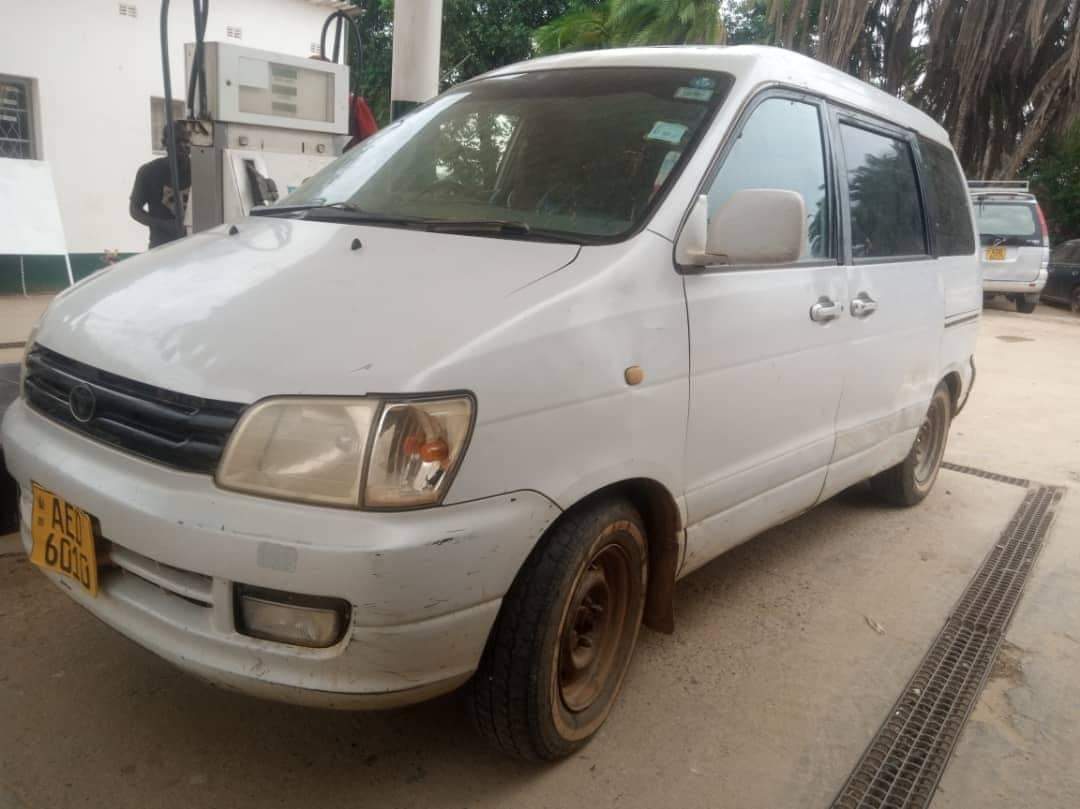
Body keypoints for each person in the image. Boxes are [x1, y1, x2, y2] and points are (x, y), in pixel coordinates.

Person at [129, 123, 191, 248]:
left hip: (194, 246)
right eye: (178, 141)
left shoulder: (202, 171)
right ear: (165, 143)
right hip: (161, 248)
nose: (183, 146)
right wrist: (162, 225)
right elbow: (134, 209)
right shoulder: (148, 172)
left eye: (187, 141)